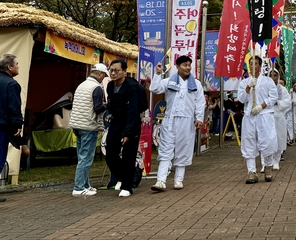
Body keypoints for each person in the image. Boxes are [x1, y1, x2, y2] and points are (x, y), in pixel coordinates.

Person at [149, 55, 205, 192]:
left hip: (187, 121)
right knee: (166, 149)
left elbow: (200, 102)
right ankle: (161, 180)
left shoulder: (196, 84)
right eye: (185, 65)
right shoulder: (169, 81)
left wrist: (199, 118)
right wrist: (157, 73)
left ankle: (178, 179)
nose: (188, 68)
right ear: (178, 66)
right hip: (170, 120)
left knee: (183, 149)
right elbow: (155, 88)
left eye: (189, 65)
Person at [68, 63, 108, 196]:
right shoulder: (96, 87)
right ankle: (79, 187)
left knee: (81, 157)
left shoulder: (82, 85)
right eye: (104, 75)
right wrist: (107, 105)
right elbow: (97, 108)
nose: (104, 78)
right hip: (88, 126)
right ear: (100, 74)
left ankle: (85, 185)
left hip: (77, 125)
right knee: (86, 158)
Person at [238, 56, 278, 184]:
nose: (252, 66)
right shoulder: (244, 82)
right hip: (250, 116)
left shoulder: (268, 81)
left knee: (267, 141)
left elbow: (273, 97)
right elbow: (242, 99)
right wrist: (248, 88)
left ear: (260, 66)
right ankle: (251, 172)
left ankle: (268, 168)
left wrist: (262, 106)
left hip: (265, 115)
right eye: (250, 64)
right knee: (249, 142)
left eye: (255, 64)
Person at [105, 59, 142, 197]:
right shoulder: (109, 86)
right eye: (111, 70)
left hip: (131, 124)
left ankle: (127, 186)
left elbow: (133, 111)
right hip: (116, 123)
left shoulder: (131, 88)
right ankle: (128, 176)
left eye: (117, 70)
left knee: (128, 155)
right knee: (110, 154)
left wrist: (128, 132)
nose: (113, 73)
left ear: (125, 72)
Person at [0, 54, 23, 201]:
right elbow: (13, 106)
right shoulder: (11, 84)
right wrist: (17, 124)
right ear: (10, 67)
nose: (18, 66)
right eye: (17, 64)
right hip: (2, 126)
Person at [270, 70, 291, 170]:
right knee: (266, 139)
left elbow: (288, 102)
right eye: (270, 75)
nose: (273, 77)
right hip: (267, 117)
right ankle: (265, 162)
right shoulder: (264, 88)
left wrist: (277, 102)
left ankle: (276, 160)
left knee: (278, 139)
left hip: (279, 117)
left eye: (275, 75)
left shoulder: (282, 90)